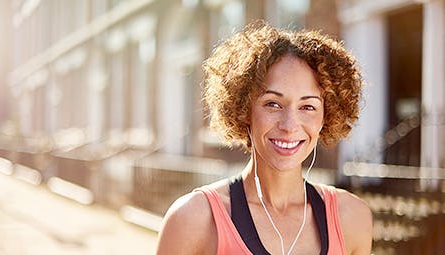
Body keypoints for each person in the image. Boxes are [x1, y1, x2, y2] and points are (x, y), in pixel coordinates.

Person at [156, 21, 373, 255]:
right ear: (244, 109)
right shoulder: (194, 219)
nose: (289, 125)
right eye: (273, 104)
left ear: (326, 115)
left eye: (308, 106)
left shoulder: (352, 218)